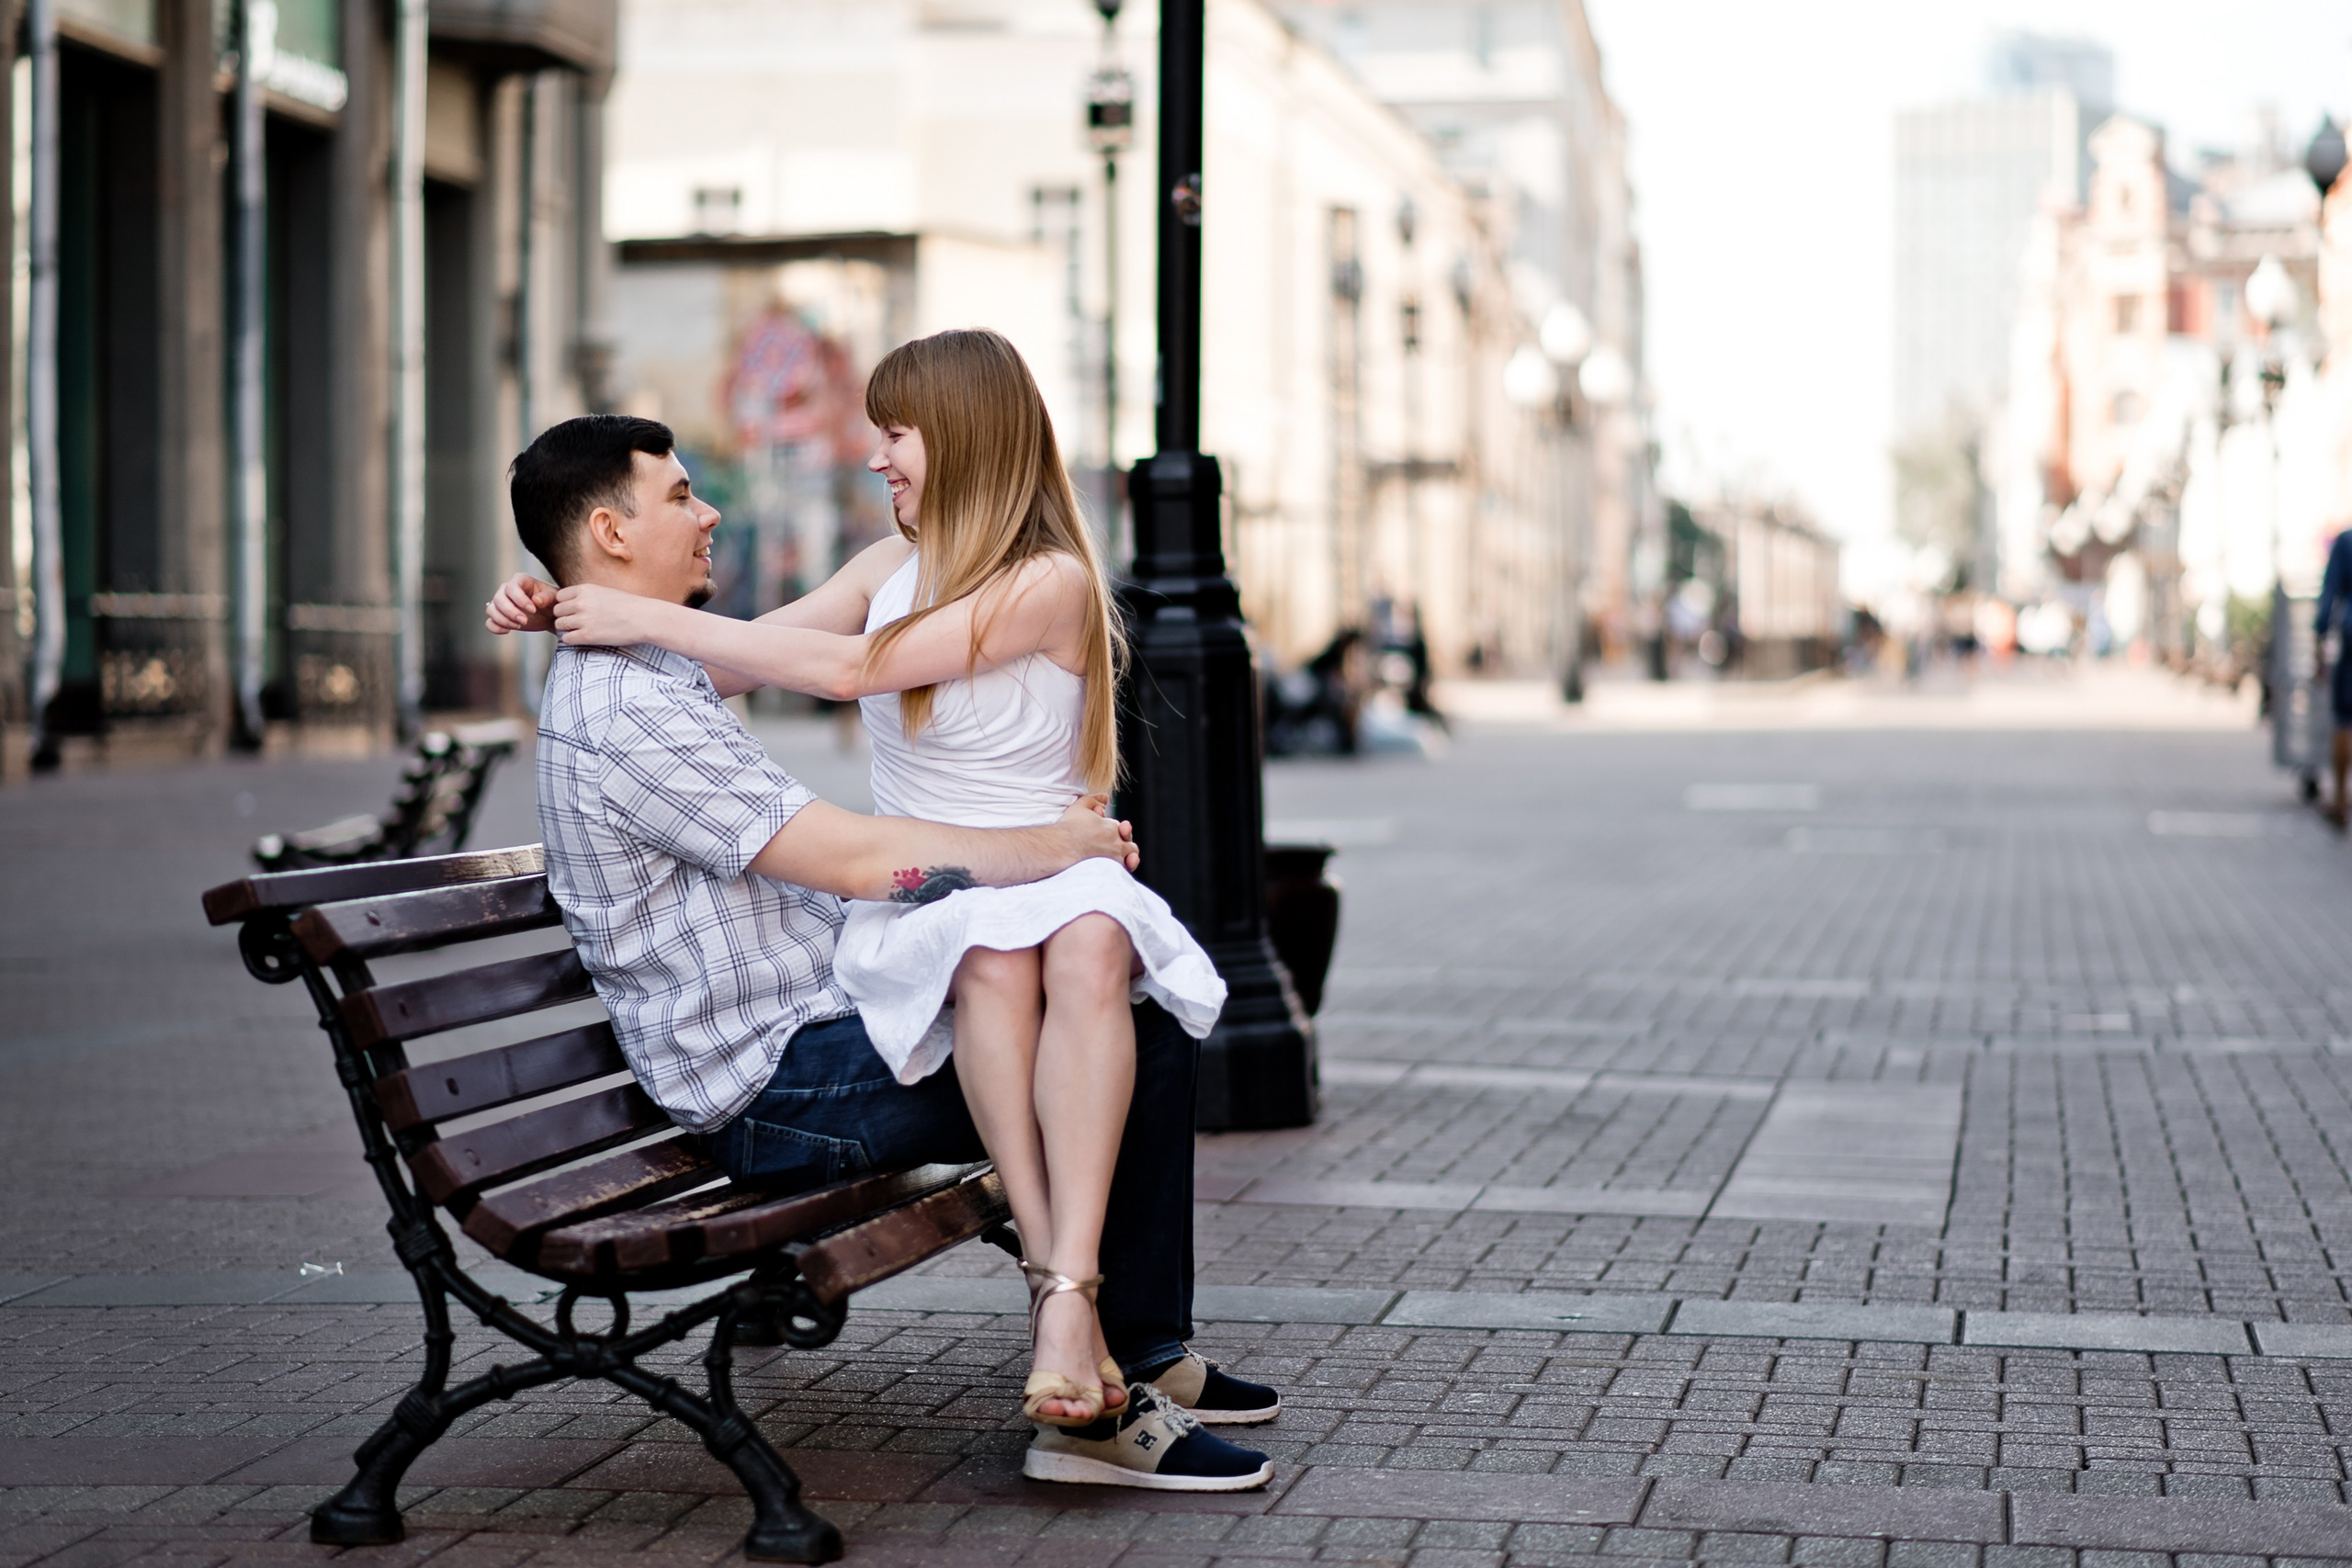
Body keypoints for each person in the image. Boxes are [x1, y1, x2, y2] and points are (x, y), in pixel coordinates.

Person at [494, 411, 1275, 1490]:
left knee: (1117, 1005)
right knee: (1113, 1052)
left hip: (815, 1027)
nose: (708, 509)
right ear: (610, 531)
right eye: (679, 494)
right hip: (769, 1083)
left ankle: (1131, 1350)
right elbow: (861, 861)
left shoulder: (646, 664)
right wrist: (1046, 844)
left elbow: (782, 651)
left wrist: (562, 606)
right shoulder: (626, 708)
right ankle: (1091, 1406)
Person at [2315, 525, 2352, 829]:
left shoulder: (2346, 541)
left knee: (2344, 719)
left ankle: (2340, 798)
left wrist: (2320, 638)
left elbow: (2329, 594)